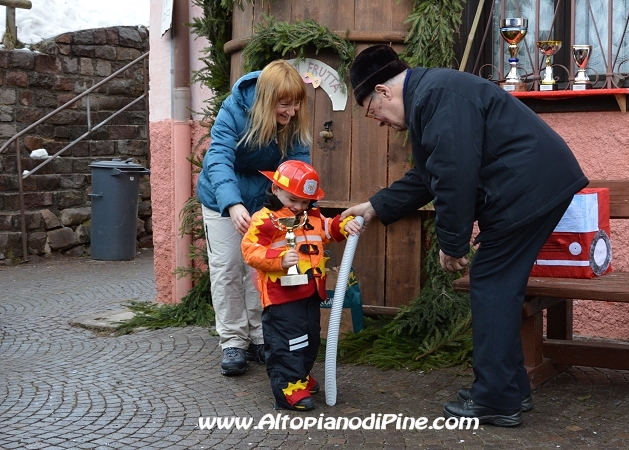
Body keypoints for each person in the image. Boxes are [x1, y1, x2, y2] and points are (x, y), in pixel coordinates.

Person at [342, 45, 589, 427]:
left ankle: (495, 400)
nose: (379, 121)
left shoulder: (436, 97)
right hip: (534, 186)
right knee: (499, 287)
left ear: (384, 92)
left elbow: (453, 177)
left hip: (528, 189)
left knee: (490, 285)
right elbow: (430, 174)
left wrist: (452, 244)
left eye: (372, 111)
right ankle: (509, 390)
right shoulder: (432, 95)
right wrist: (376, 206)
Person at [196, 60, 312, 376]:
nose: (291, 111)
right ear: (265, 100)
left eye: (296, 103)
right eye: (284, 104)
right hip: (222, 197)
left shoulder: (293, 120)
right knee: (227, 267)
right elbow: (218, 159)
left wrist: (298, 201)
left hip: (264, 199)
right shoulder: (233, 110)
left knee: (260, 265)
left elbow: (298, 163)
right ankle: (233, 341)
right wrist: (231, 204)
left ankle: (261, 337)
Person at [241, 160, 362, 411]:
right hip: (281, 296)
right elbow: (250, 250)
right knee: (288, 342)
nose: (298, 207)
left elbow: (328, 231)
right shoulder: (265, 220)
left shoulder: (312, 216)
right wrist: (279, 260)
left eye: (305, 202)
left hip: (310, 292)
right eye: (293, 200)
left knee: (309, 339)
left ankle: (301, 377)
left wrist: (343, 224)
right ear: (275, 190)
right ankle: (288, 388)